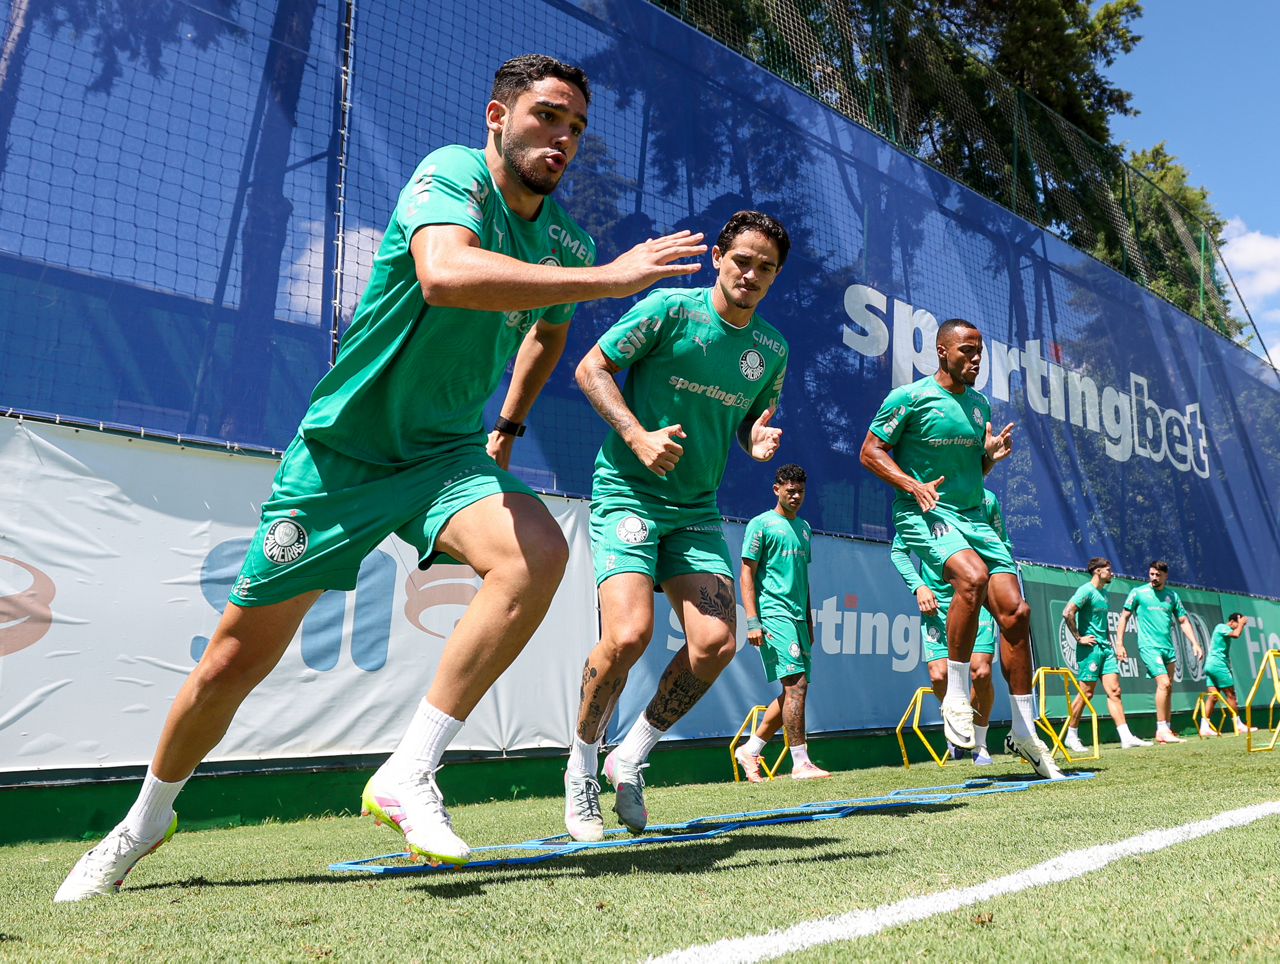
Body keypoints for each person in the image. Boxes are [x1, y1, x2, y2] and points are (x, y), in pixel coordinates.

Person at [56, 54, 711, 901]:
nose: (563, 139)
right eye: (548, 116)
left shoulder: (564, 241)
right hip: (342, 458)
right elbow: (445, 276)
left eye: (577, 128)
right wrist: (610, 279)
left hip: (444, 455)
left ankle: (410, 770)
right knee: (229, 662)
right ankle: (142, 822)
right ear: (497, 117)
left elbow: (548, 330)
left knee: (538, 553)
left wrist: (508, 422)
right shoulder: (452, 177)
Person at [563, 210, 790, 841]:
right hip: (629, 493)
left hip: (694, 510)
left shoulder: (771, 349)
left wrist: (755, 438)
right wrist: (636, 436)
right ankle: (580, 766)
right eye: (742, 259)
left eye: (765, 267)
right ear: (719, 255)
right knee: (630, 635)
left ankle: (629, 756)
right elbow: (590, 368)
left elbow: (746, 422)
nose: (751, 274)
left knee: (716, 642)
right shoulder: (668, 310)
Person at [860, 319, 1064, 780]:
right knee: (970, 578)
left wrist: (988, 455)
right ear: (941, 351)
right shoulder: (908, 397)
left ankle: (1025, 731)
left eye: (980, 352)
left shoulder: (978, 405)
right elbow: (870, 452)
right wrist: (910, 483)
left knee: (1016, 612)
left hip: (973, 517)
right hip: (924, 513)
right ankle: (955, 695)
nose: (976, 359)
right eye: (967, 350)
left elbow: (972, 470)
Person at [891, 487, 1012, 766]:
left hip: (977, 598)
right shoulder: (926, 494)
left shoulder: (988, 499)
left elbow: (1001, 544)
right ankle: (957, 722)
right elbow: (899, 551)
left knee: (980, 673)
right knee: (938, 675)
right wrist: (918, 586)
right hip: (938, 604)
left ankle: (979, 744)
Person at [734, 463, 829, 781]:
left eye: (801, 491)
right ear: (776, 490)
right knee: (796, 686)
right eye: (790, 491)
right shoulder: (760, 525)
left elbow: (804, 579)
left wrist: (810, 620)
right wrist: (752, 621)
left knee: (794, 690)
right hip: (773, 616)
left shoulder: (804, 528)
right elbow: (746, 572)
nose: (797, 496)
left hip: (800, 620)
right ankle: (800, 761)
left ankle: (751, 749)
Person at [1061, 558, 1151, 751]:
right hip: (1090, 649)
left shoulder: (1105, 594)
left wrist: (1112, 642)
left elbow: (1103, 623)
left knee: (1115, 691)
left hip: (1105, 649)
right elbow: (1067, 612)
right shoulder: (1086, 590)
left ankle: (1126, 737)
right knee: (1086, 692)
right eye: (1109, 570)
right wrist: (1079, 638)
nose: (1112, 573)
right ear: (1098, 571)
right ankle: (1071, 735)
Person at [1115, 560, 1203, 745]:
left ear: (1165, 576)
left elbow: (1183, 621)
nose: (1154, 578)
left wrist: (1195, 643)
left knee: (1169, 687)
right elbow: (1124, 617)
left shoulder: (1172, 595)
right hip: (1148, 647)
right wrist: (1119, 644)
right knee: (1163, 683)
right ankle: (1161, 729)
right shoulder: (1138, 592)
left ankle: (1166, 730)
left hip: (1168, 648)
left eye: (1158, 575)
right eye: (1152, 574)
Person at [1200, 613, 1252, 736]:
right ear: (1233, 621)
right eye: (1237, 624)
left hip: (1210, 665)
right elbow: (1236, 634)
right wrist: (1241, 624)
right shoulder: (1222, 627)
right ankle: (1238, 725)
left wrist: (1240, 624)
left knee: (1212, 697)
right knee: (1230, 695)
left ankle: (1204, 727)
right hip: (1217, 665)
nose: (1238, 627)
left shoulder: (1224, 629)